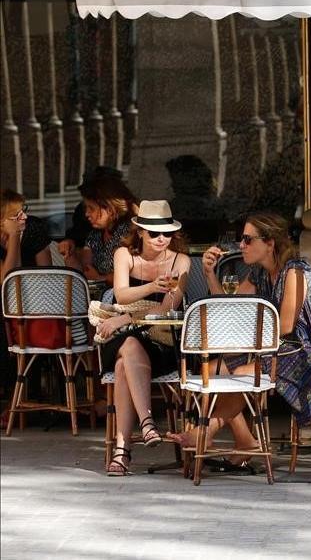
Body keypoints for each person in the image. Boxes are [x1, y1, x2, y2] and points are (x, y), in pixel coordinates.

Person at [175, 212, 311, 457]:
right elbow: (229, 311)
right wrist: (209, 274)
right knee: (217, 369)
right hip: (275, 349)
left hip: (305, 356)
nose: (241, 246)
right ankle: (245, 441)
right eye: (242, 239)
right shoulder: (259, 274)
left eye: (248, 240)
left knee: (238, 372)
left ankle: (203, 433)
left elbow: (285, 327)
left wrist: (246, 341)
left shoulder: (296, 272)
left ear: (270, 243)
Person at [93, 201, 189, 476]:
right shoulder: (124, 255)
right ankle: (146, 422)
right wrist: (152, 286)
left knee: (126, 361)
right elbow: (121, 295)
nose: (161, 239)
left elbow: (167, 309)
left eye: (167, 233)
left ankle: (122, 452)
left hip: (160, 341)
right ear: (140, 232)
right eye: (154, 233)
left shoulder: (179, 261)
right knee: (129, 346)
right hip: (122, 338)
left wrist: (124, 319)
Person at [69, 177, 138, 286]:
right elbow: (84, 272)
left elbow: (132, 277)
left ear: (110, 210)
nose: (87, 214)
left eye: (91, 208)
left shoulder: (130, 234)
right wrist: (69, 254)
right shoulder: (95, 235)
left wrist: (100, 278)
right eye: (86, 208)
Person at [60, 166, 125, 260]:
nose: (87, 213)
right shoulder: (92, 232)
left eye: (92, 208)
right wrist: (69, 243)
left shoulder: (131, 229)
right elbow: (77, 234)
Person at [1, 190, 53, 280]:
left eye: (23, 210)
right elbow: (7, 282)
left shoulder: (33, 227)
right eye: (16, 214)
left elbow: (46, 276)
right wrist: (14, 235)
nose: (25, 216)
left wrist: (15, 234)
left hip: (34, 290)